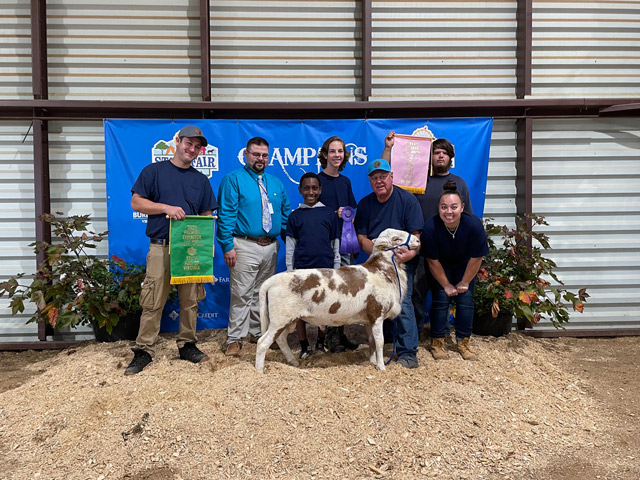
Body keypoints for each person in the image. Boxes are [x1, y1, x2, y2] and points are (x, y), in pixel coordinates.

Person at [125, 125, 218, 375]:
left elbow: (207, 214)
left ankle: (187, 344)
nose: (192, 149)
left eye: (198, 146)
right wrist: (165, 207)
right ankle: (144, 350)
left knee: (190, 301)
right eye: (189, 143)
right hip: (160, 247)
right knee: (153, 299)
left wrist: (205, 242)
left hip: (190, 249)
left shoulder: (201, 180)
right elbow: (136, 202)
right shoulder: (153, 171)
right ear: (177, 141)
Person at [382, 132, 474, 335]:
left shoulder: (460, 183)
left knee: (444, 293)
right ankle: (414, 333)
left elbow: (467, 219)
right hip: (421, 248)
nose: (440, 156)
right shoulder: (417, 181)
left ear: (451, 158)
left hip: (449, 251)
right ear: (429, 157)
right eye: (436, 152)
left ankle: (440, 334)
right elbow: (386, 173)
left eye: (445, 153)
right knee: (415, 292)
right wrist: (388, 148)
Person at [216, 137, 291, 356]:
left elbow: (285, 214)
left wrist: (294, 243)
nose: (260, 158)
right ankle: (235, 338)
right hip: (244, 244)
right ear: (246, 155)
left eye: (264, 155)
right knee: (241, 293)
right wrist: (227, 245)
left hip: (270, 246)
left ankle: (258, 333)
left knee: (262, 292)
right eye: (256, 154)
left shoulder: (275, 183)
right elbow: (226, 215)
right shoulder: (233, 180)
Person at [354, 159, 423, 369]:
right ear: (370, 181)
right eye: (374, 178)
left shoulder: (407, 200)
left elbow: (416, 239)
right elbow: (361, 237)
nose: (379, 181)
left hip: (401, 262)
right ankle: (376, 348)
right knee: (372, 303)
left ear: (392, 177)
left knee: (403, 303)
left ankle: (408, 352)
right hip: (375, 262)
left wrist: (402, 256)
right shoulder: (365, 204)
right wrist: (378, 253)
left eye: (383, 176)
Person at [420, 180, 489, 361]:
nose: (448, 212)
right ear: (438, 208)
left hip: (465, 266)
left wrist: (464, 282)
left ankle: (463, 342)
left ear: (462, 207)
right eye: (444, 207)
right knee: (441, 298)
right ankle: (437, 341)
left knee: (465, 300)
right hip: (440, 266)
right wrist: (446, 285)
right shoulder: (430, 228)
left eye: (453, 207)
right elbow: (432, 261)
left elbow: (476, 258)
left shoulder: (474, 225)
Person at [285, 172, 340, 358]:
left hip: (325, 270)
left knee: (323, 307)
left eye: (314, 188)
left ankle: (320, 343)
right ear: (300, 190)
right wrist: (289, 271)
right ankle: (304, 346)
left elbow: (335, 244)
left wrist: (336, 270)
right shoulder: (294, 217)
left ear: (320, 190)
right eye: (306, 188)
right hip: (301, 271)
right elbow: (290, 246)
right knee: (300, 309)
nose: (311, 192)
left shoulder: (329, 214)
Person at [316, 136, 360, 353]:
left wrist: (348, 215)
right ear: (324, 154)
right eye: (332, 151)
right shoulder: (316, 181)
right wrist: (333, 214)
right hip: (325, 243)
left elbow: (351, 209)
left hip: (345, 242)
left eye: (340, 151)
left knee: (345, 288)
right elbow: (312, 213)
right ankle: (328, 337)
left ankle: (339, 334)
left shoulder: (345, 181)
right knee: (331, 289)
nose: (336, 155)